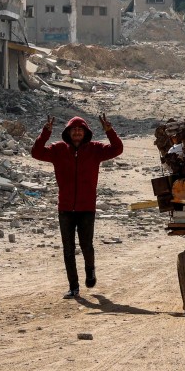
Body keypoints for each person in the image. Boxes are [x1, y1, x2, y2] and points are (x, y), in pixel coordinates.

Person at [31, 113, 123, 299]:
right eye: (74, 130)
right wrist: (45, 133)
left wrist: (109, 131)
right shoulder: (58, 149)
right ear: (68, 132)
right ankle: (73, 287)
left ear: (86, 132)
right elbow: (36, 153)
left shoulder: (95, 149)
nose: (77, 133)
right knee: (68, 249)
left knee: (86, 245)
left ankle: (90, 271)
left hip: (87, 207)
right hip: (65, 208)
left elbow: (117, 149)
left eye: (80, 130)